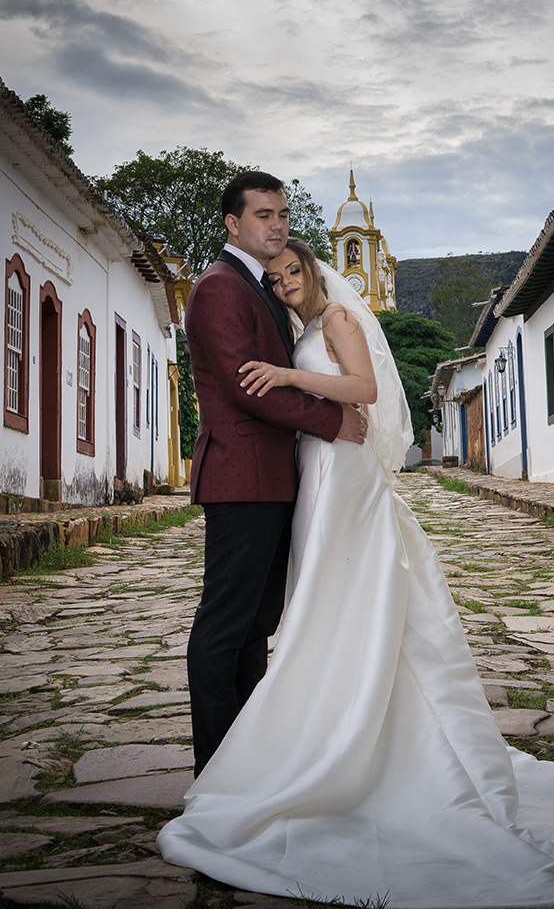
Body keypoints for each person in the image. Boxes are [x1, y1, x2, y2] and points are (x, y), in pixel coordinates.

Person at [161, 239, 554, 908]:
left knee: (344, 592)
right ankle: (317, 724)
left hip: (342, 473)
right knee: (319, 596)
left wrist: (289, 377)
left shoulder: (335, 318)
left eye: (293, 271)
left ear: (313, 268)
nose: (284, 284)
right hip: (318, 471)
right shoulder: (300, 327)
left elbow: (364, 391)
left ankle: (348, 729)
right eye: (275, 279)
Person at [183, 175, 366, 776]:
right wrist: (331, 421)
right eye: (263, 215)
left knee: (256, 625)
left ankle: (247, 759)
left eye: (283, 214)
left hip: (272, 478)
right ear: (233, 224)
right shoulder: (219, 286)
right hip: (241, 477)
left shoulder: (258, 285)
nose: (278, 224)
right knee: (225, 624)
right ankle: (215, 770)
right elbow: (247, 386)